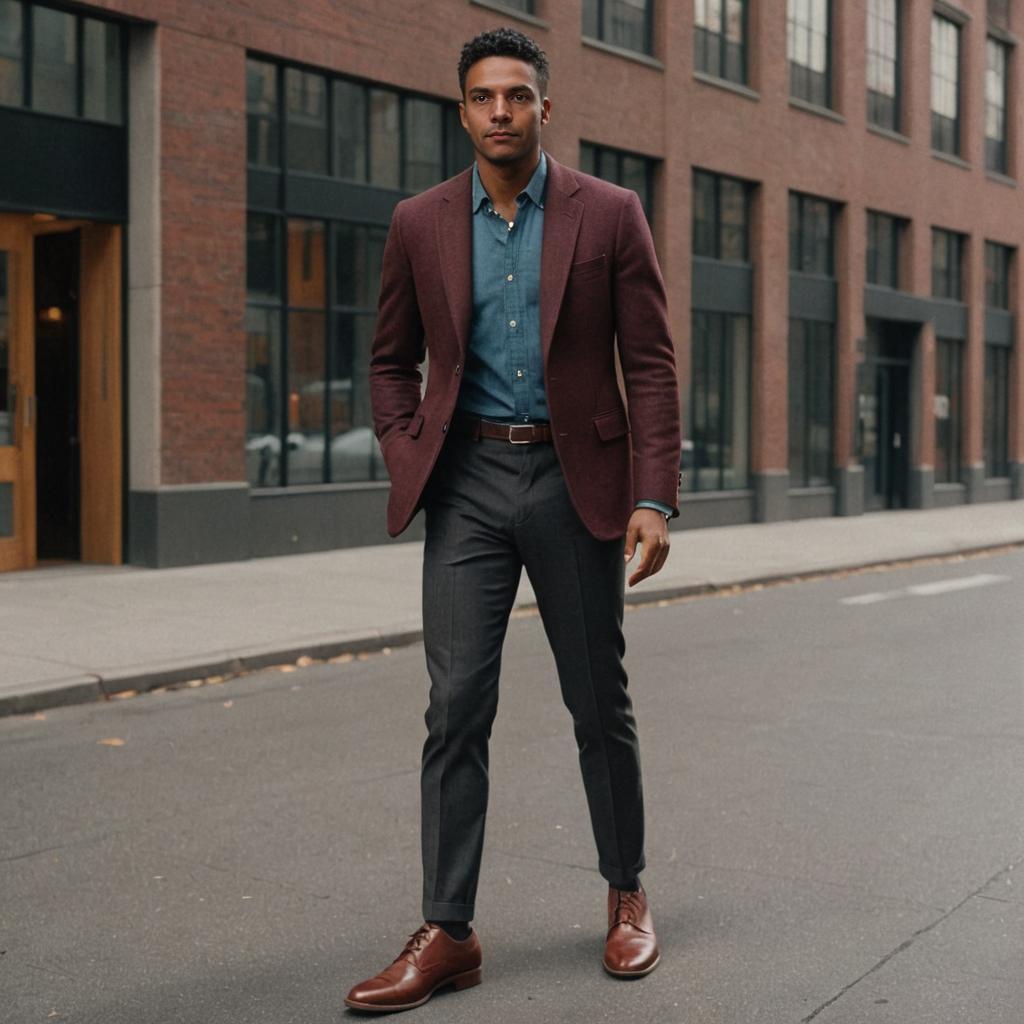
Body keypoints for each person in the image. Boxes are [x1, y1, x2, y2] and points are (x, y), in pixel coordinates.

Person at [346, 26, 681, 1013]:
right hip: (467, 487)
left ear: (545, 108)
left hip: (575, 485)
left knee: (595, 703)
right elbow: (388, 358)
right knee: (455, 708)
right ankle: (449, 930)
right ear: (462, 109)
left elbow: (650, 364)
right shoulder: (418, 221)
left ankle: (626, 890)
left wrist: (653, 496)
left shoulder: (609, 214)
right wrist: (408, 446)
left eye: (518, 96)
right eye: (484, 96)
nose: (501, 111)